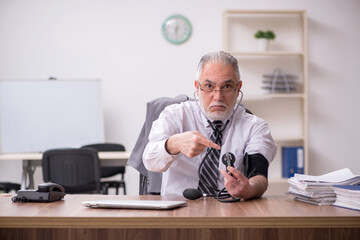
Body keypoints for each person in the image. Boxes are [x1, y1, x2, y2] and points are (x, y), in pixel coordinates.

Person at [143, 51, 277, 199]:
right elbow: (150, 162)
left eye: (227, 86)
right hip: (179, 210)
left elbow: (259, 175)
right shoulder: (174, 115)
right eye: (208, 86)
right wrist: (173, 144)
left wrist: (249, 189)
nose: (218, 96)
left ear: (238, 89)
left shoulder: (255, 127)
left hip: (230, 210)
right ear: (197, 87)